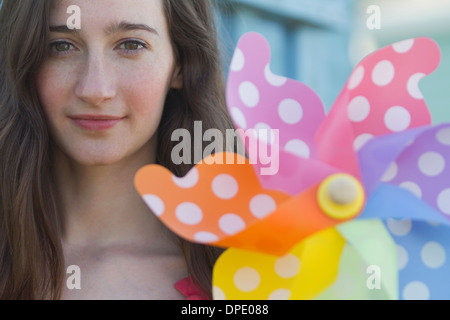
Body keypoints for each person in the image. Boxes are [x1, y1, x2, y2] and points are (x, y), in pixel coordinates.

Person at [0, 0, 234, 299]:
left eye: (131, 45)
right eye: (61, 46)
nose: (95, 90)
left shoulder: (249, 273)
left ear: (181, 64)